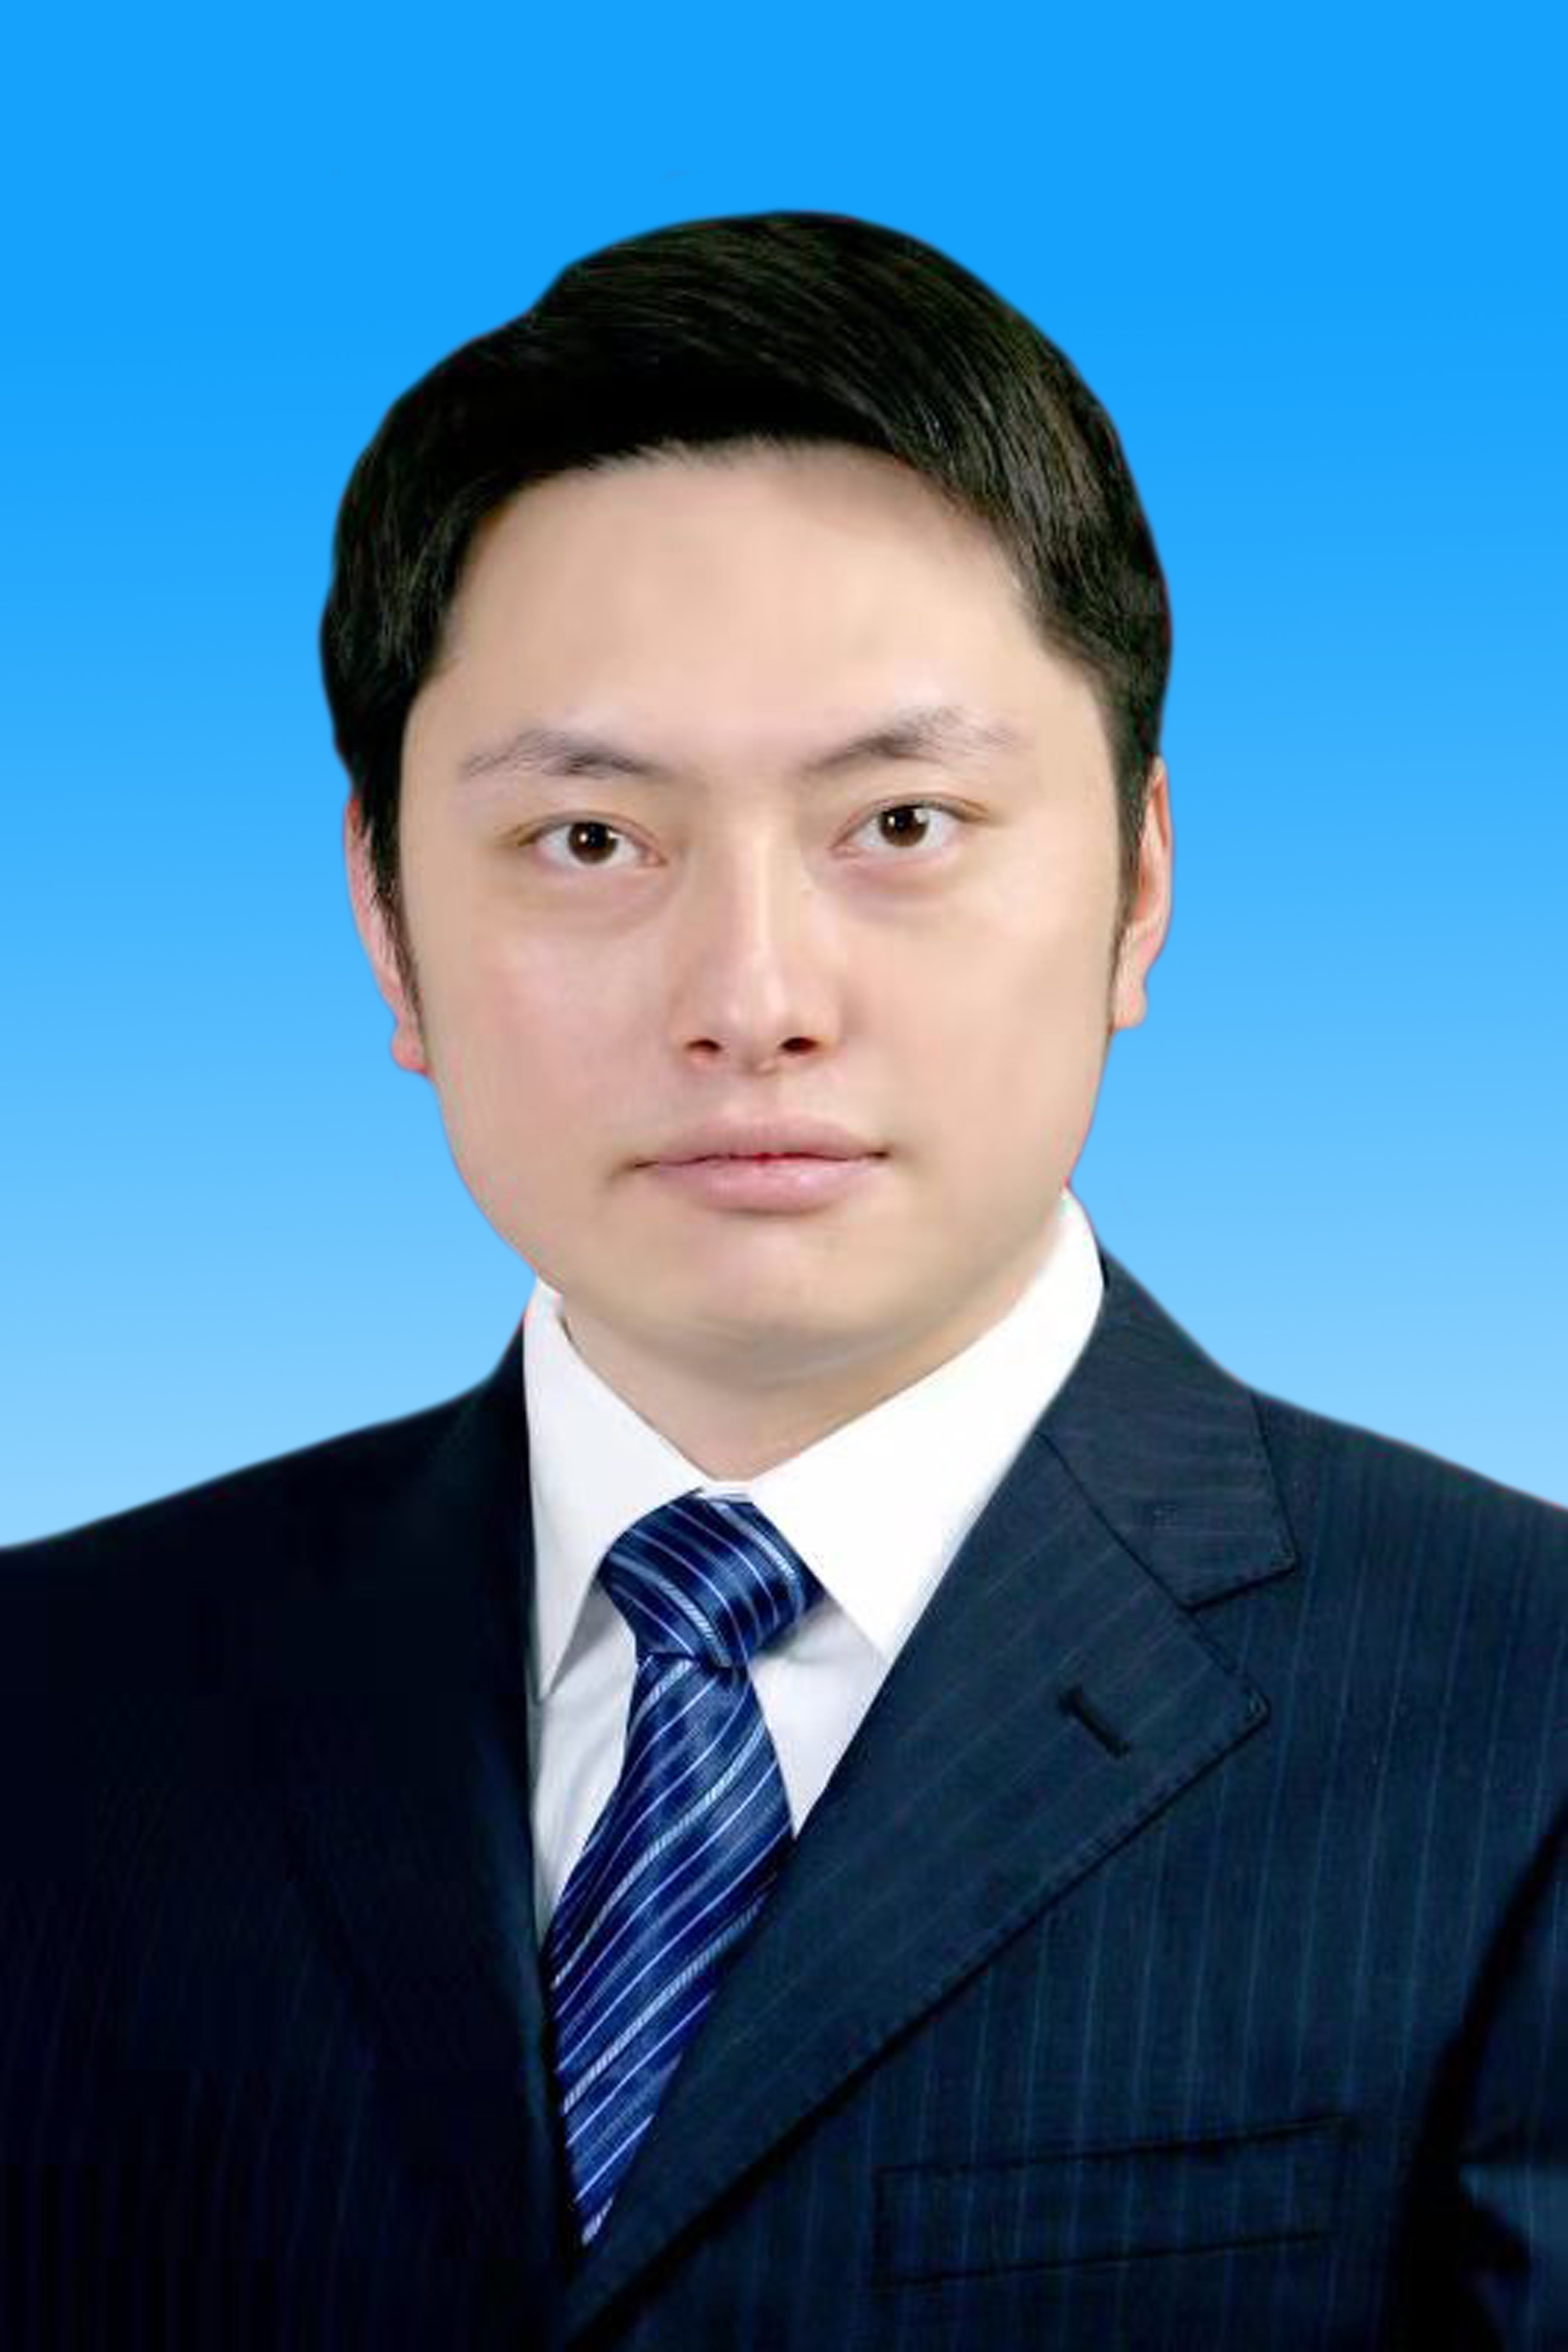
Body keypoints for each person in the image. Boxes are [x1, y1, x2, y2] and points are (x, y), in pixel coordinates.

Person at [1, 209, 1562, 2352]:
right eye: (590, 841)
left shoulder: (1522, 1727)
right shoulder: (51, 1710)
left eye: (900, 824)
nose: (751, 999)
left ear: (1139, 884)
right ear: (385, 920)